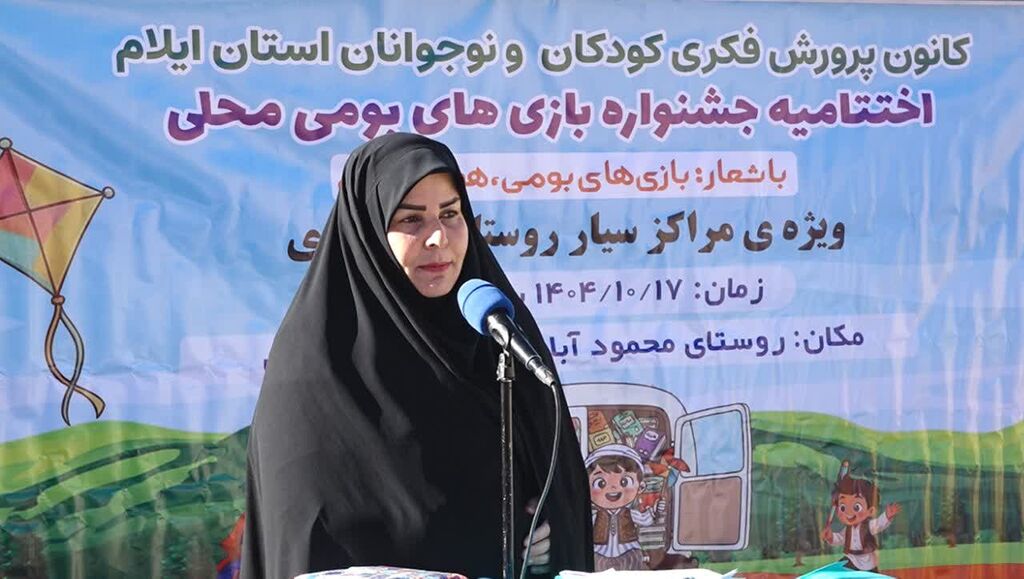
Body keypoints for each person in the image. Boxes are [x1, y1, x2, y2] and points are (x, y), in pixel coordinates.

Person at [241, 133, 594, 579]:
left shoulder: (498, 337)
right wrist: (484, 537)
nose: (438, 238)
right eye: (411, 219)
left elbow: (555, 494)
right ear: (370, 232)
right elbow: (313, 542)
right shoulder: (311, 377)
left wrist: (545, 543)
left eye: (450, 213)